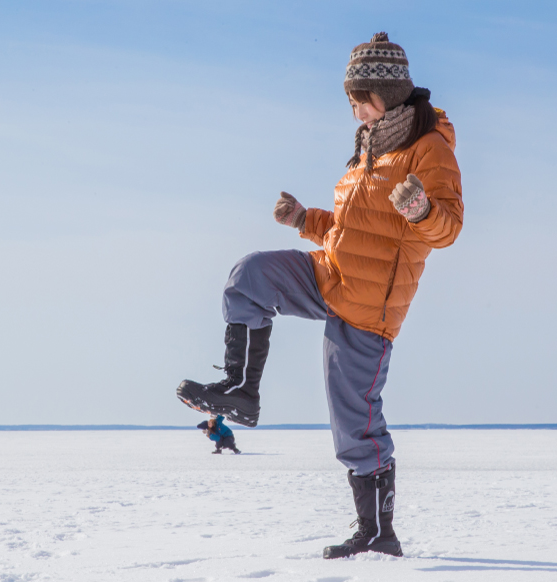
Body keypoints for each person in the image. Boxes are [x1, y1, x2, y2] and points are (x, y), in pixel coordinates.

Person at [176, 32, 463, 559]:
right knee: (250, 276)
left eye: (359, 99)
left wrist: (421, 210)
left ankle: (377, 532)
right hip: (329, 273)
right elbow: (355, 230)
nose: (353, 110)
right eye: (351, 101)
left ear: (389, 94)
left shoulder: (428, 148)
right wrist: (304, 219)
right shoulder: (369, 145)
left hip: (369, 304)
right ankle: (241, 390)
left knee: (353, 423)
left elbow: (447, 229)